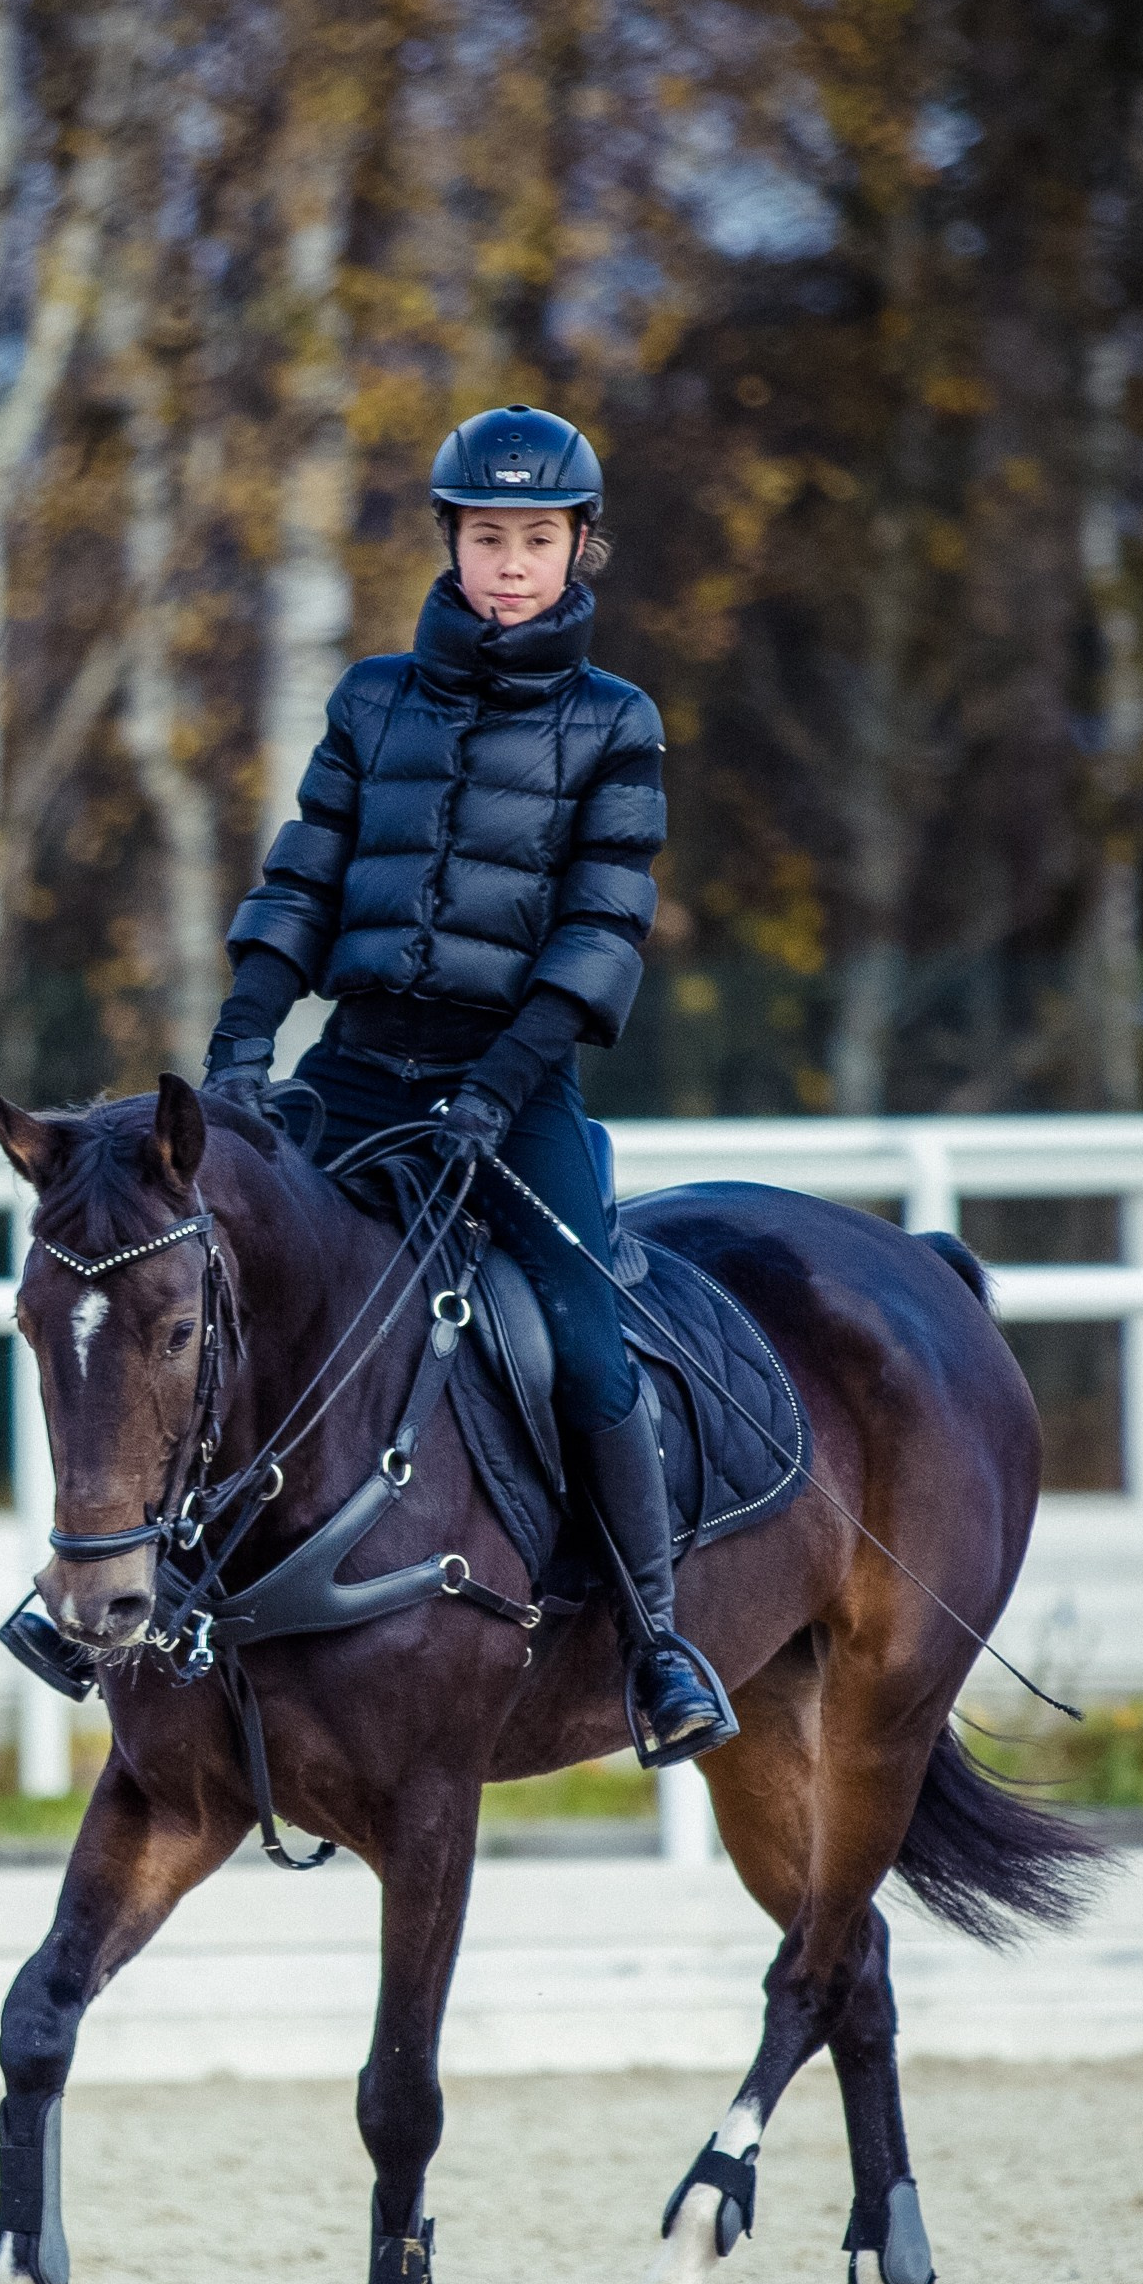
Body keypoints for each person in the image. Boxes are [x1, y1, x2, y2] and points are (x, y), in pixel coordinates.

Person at [201, 401, 731, 1764]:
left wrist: (496, 1087)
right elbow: (304, 877)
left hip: (515, 1088)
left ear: (577, 551)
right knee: (205, 1289)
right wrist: (243, 1042)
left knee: (580, 1342)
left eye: (535, 541)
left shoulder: (616, 721)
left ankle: (657, 1643)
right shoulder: (371, 699)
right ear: (449, 541)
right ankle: (151, 1600)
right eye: (486, 537)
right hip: (357, 1071)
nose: (509, 564)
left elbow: (595, 935)